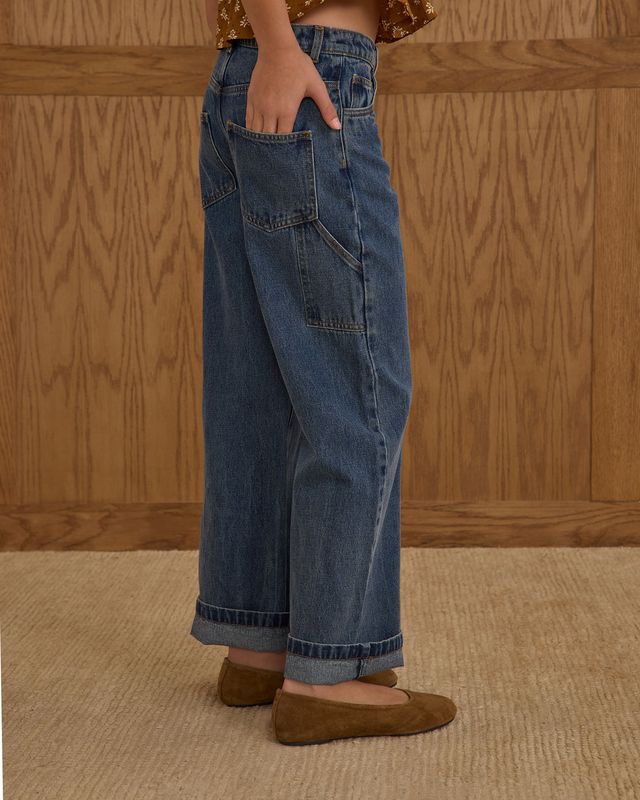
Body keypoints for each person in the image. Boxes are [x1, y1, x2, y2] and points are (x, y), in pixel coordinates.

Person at [191, 0, 457, 745]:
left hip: (256, 70)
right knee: (356, 384)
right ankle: (326, 677)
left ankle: (260, 641)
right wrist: (281, 44)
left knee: (264, 383)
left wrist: (271, 46)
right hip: (304, 69)